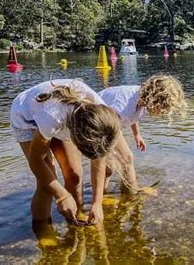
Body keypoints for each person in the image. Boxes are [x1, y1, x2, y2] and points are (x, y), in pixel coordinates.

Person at [10, 79, 121, 224]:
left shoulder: (102, 117)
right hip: (25, 118)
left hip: (61, 117)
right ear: (74, 135)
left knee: (74, 176)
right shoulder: (52, 117)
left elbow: (99, 160)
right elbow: (35, 160)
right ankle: (42, 230)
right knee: (46, 182)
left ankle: (74, 220)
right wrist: (61, 196)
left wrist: (97, 203)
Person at [99, 74, 186, 192]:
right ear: (156, 98)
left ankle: (104, 193)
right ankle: (132, 193)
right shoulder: (124, 103)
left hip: (107, 123)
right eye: (164, 107)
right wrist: (115, 151)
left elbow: (132, 116)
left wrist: (137, 134)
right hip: (98, 123)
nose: (163, 111)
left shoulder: (142, 98)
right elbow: (111, 124)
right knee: (126, 158)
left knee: (110, 166)